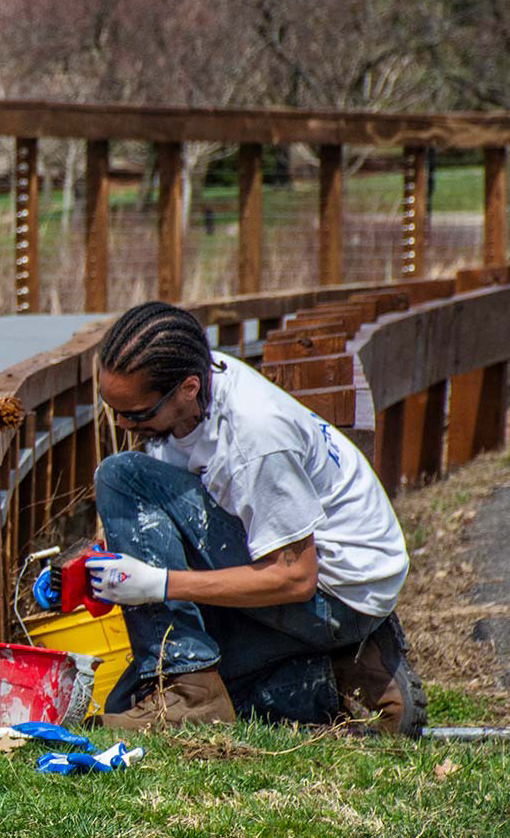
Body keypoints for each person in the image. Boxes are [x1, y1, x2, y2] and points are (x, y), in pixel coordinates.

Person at [84, 301, 422, 734]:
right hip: (308, 580)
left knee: (121, 475)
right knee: (128, 699)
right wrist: (86, 575)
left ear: (188, 388)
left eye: (137, 414)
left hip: (335, 595)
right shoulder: (193, 385)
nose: (124, 425)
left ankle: (191, 691)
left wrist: (160, 585)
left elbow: (295, 576)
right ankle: (342, 678)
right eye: (115, 409)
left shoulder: (255, 439)